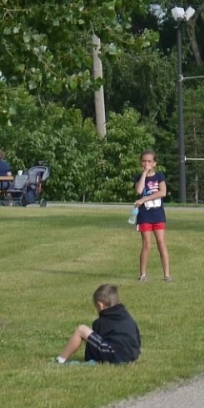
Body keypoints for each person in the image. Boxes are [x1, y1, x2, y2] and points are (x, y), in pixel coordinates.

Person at [54, 284, 141, 365]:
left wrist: (90, 358)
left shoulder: (101, 322)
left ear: (100, 305)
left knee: (81, 329)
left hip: (116, 355)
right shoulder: (128, 317)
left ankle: (61, 359)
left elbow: (93, 347)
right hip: (132, 355)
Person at [131, 150, 171, 282]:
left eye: (149, 161)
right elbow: (138, 190)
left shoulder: (159, 176)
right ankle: (143, 274)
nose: (146, 163)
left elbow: (163, 192)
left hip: (157, 214)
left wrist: (144, 199)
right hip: (144, 215)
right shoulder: (138, 177)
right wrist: (144, 174)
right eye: (144, 161)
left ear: (154, 163)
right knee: (146, 244)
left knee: (161, 243)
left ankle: (166, 274)